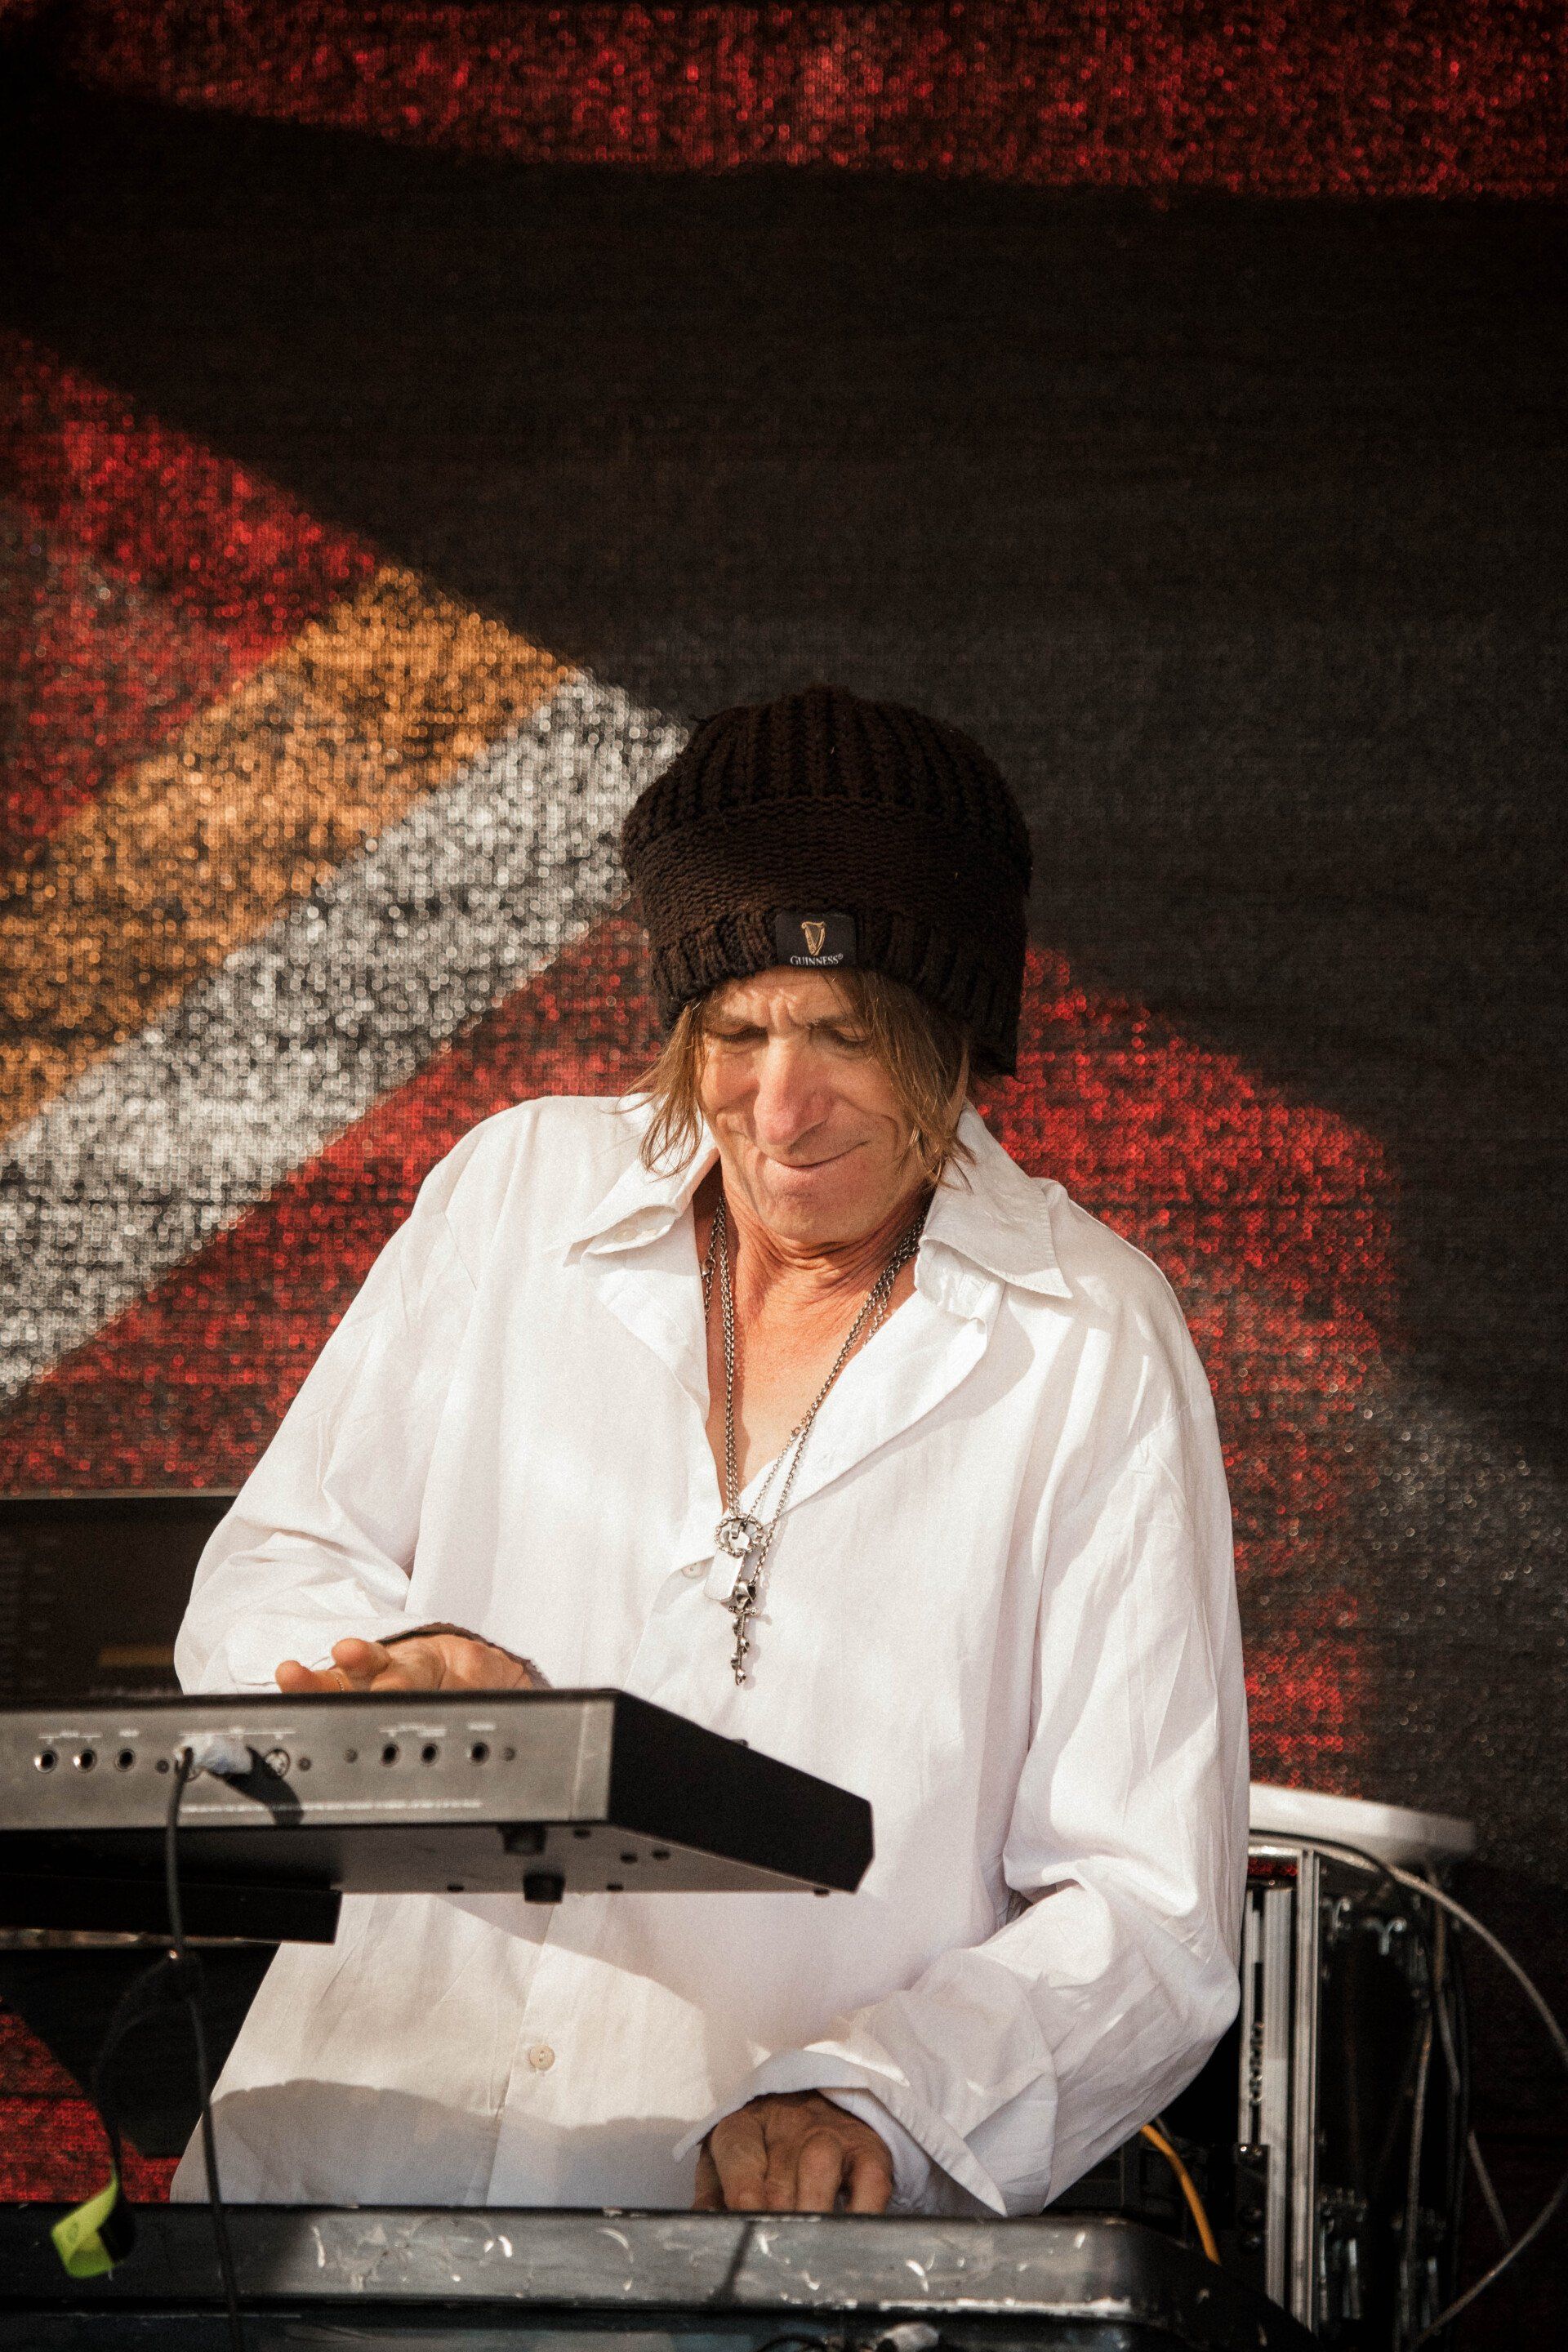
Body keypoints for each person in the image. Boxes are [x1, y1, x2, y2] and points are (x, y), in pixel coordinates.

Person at [172, 682, 1248, 2218]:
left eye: (844, 1036)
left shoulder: (1088, 1340)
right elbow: (271, 1575)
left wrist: (878, 2098)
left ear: (955, 1039)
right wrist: (389, 1676)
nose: (780, 1108)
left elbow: (1149, 1911)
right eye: (735, 1033)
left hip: (725, 2253)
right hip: (332, 2184)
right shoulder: (516, 1193)